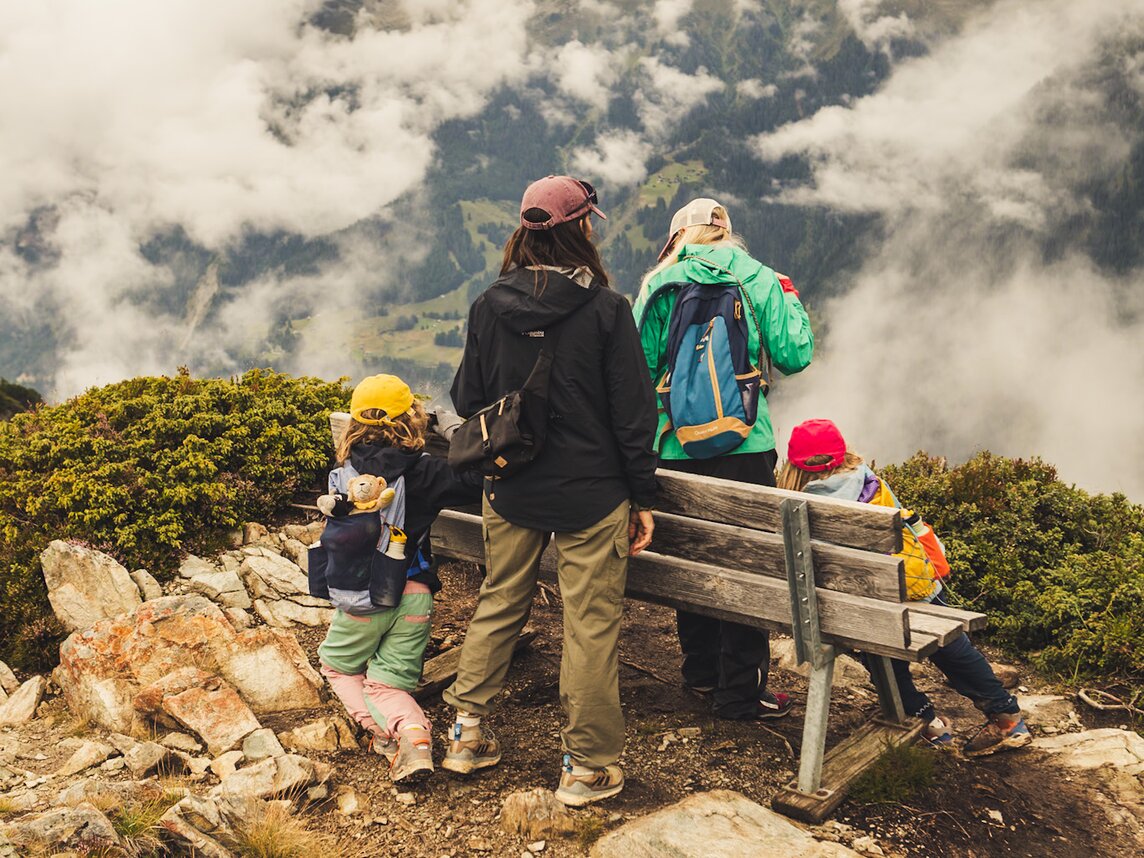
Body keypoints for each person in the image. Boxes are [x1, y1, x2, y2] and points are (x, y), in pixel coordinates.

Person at [443, 175, 658, 806]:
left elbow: (465, 399)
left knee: (500, 598)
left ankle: (465, 734)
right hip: (592, 494)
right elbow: (633, 415)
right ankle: (586, 767)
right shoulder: (606, 310)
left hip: (510, 485)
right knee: (590, 624)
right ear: (581, 227)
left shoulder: (489, 304)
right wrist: (641, 497)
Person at [632, 198, 814, 721]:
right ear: (726, 234)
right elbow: (795, 355)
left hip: (673, 445)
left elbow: (638, 373)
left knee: (691, 553)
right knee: (746, 561)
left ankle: (701, 673)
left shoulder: (657, 283)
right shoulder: (757, 276)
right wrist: (790, 299)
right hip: (746, 444)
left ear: (676, 238)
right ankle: (741, 690)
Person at [776, 418, 1031, 757]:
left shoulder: (791, 502)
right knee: (947, 639)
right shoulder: (870, 483)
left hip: (847, 606)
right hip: (907, 590)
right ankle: (1007, 717)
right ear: (841, 455)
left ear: (795, 466)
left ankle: (924, 719)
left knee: (876, 636)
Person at [313, 374, 482, 783]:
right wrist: (454, 430)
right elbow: (477, 481)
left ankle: (398, 735)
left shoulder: (345, 472)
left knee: (337, 668)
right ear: (414, 418)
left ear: (354, 424)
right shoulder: (425, 472)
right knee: (386, 683)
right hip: (415, 596)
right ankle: (408, 736)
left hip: (359, 599)